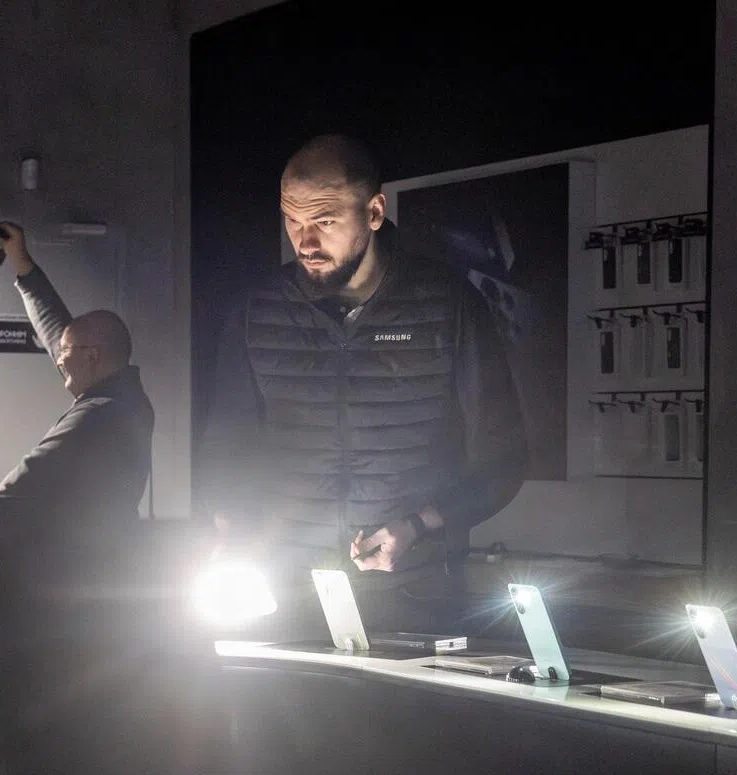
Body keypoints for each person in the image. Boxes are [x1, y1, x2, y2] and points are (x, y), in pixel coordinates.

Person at [196, 134, 528, 632]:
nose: (305, 242)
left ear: (374, 211)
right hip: (280, 594)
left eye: (325, 222)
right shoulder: (254, 312)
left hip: (414, 595)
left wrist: (418, 526)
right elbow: (224, 445)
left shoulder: (447, 304)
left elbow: (504, 459)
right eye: (293, 221)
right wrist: (228, 529)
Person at [0, 221, 154, 528]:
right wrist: (20, 260)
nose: (60, 361)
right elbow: (59, 334)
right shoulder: (123, 396)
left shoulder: (98, 412)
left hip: (77, 559)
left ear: (92, 356)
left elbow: (18, 484)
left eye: (65, 353)